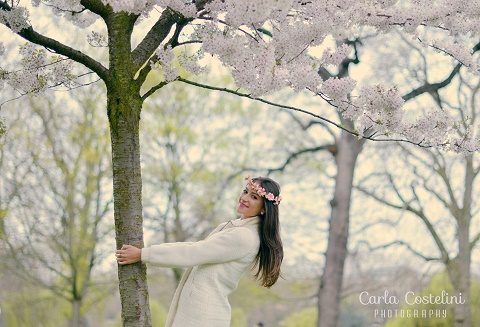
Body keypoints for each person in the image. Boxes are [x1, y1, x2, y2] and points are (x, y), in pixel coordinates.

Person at [115, 176, 284, 327]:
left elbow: (194, 252)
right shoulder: (236, 228)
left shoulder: (244, 236)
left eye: (253, 197)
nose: (245, 198)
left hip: (204, 315)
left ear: (264, 208)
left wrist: (143, 254)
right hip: (200, 310)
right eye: (245, 191)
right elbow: (195, 248)